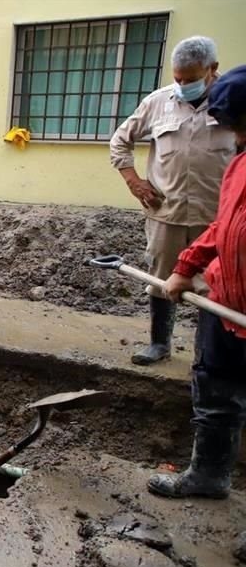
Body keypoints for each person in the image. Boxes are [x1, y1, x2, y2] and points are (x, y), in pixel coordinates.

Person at [147, 66, 246, 500]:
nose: (232, 136)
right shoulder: (240, 163)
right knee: (214, 391)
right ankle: (208, 475)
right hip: (224, 303)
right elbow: (224, 226)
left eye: (235, 126)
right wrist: (186, 266)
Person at [110, 36, 237, 366]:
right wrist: (135, 183)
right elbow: (120, 142)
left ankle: (207, 354)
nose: (182, 86)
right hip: (166, 212)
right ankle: (159, 343)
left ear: (212, 70)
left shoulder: (233, 102)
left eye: (190, 80)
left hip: (215, 218)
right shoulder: (158, 102)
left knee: (215, 286)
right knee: (162, 278)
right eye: (178, 78)